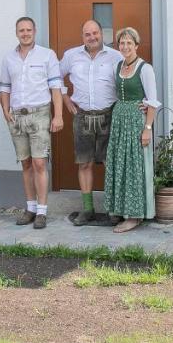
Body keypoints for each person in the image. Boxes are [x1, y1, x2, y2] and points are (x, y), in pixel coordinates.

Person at [0, 16, 63, 229]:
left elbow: (56, 88)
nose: (25, 33)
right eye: (21, 30)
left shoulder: (47, 55)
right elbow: (5, 87)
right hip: (17, 116)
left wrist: (58, 115)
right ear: (16, 32)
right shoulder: (9, 58)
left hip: (40, 114)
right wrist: (5, 111)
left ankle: (42, 211)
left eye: (28, 30)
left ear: (34, 31)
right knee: (25, 163)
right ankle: (30, 208)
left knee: (39, 163)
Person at [60, 19, 120, 225]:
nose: (92, 37)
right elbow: (55, 77)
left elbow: (125, 82)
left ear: (102, 34)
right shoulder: (71, 56)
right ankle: (87, 209)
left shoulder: (115, 56)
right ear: (82, 36)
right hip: (82, 116)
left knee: (109, 163)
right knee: (84, 163)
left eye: (95, 33)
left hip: (108, 115)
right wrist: (65, 98)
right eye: (87, 34)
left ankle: (113, 208)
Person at [103, 26, 159, 233]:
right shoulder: (118, 66)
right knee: (120, 164)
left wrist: (147, 128)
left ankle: (134, 216)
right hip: (119, 120)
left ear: (136, 45)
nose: (125, 46)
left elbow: (152, 102)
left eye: (129, 43)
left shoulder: (145, 68)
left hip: (136, 121)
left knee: (134, 166)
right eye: (122, 43)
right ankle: (121, 210)